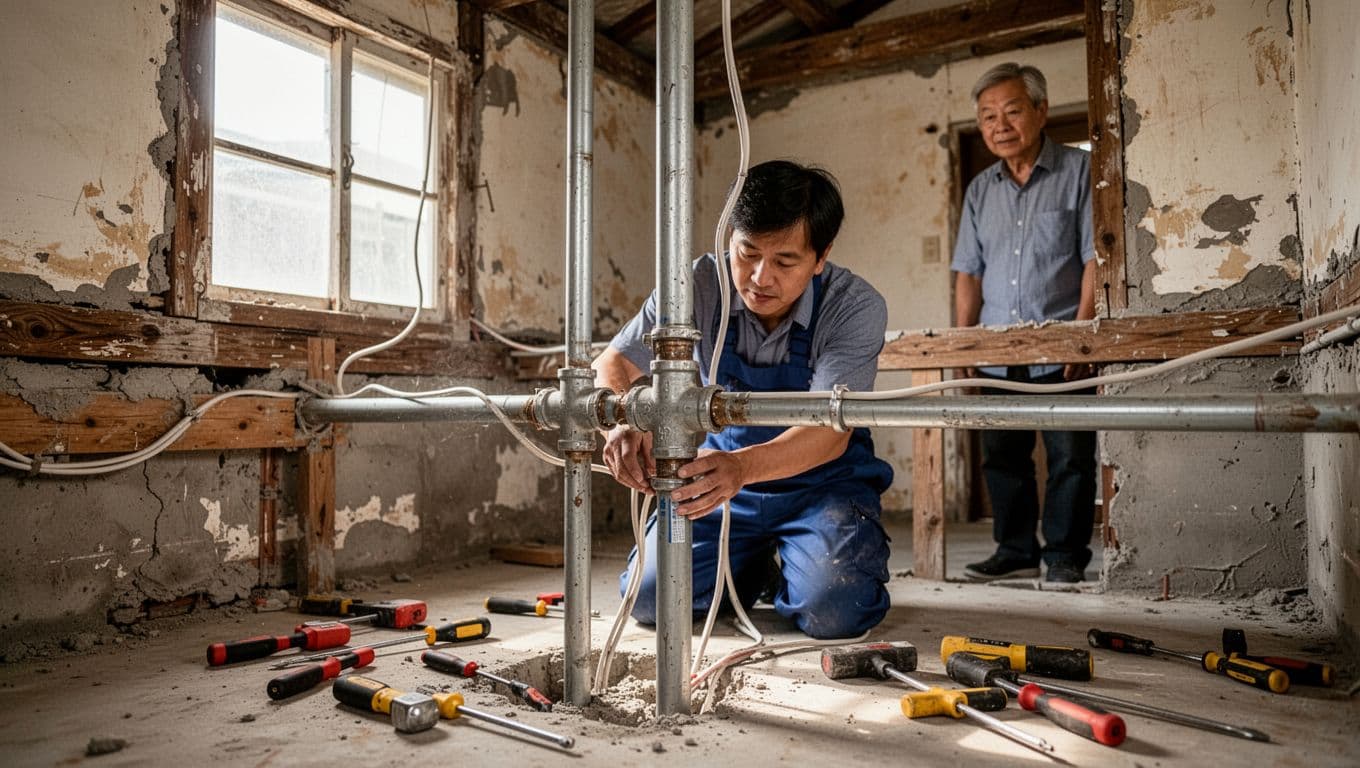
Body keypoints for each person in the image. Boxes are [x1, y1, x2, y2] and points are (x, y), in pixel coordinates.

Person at [592, 160, 894, 639]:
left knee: (836, 608)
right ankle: (753, 568)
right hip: (719, 482)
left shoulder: (853, 306)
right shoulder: (698, 284)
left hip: (821, 486)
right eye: (746, 253)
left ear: (821, 256)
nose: (759, 278)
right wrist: (625, 418)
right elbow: (613, 363)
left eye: (784, 262)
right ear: (728, 236)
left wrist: (743, 469)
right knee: (651, 600)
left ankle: (800, 562)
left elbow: (829, 434)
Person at [951, 62, 1098, 584]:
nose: (999, 125)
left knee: (1070, 457)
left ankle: (1062, 554)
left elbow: (1094, 262)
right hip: (996, 347)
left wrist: (1082, 339)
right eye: (988, 116)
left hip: (1062, 344)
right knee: (1003, 457)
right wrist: (963, 346)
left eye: (1012, 110)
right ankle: (1014, 548)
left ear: (1040, 110)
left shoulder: (1080, 172)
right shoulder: (979, 190)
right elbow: (968, 272)